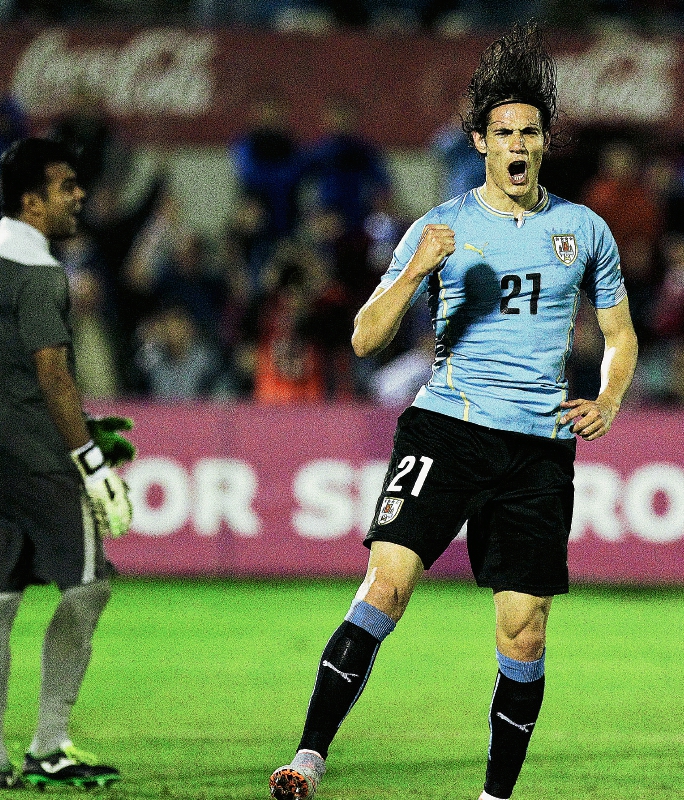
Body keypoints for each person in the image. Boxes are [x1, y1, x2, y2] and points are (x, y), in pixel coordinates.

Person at [268, 22, 638, 800]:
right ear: (479, 140)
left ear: (545, 141)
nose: (517, 144)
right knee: (387, 582)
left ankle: (494, 796)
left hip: (537, 449)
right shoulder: (440, 227)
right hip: (446, 427)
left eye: (529, 131)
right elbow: (366, 337)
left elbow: (619, 334)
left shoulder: (583, 230)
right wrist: (414, 277)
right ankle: (308, 757)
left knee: (525, 631)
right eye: (502, 130)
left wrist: (606, 398)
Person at [0, 138, 134, 791]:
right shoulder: (38, 269)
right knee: (88, 586)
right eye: (65, 186)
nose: (79, 194)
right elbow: (53, 375)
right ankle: (49, 743)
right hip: (37, 460)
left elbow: (3, 369)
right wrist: (91, 462)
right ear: (33, 201)